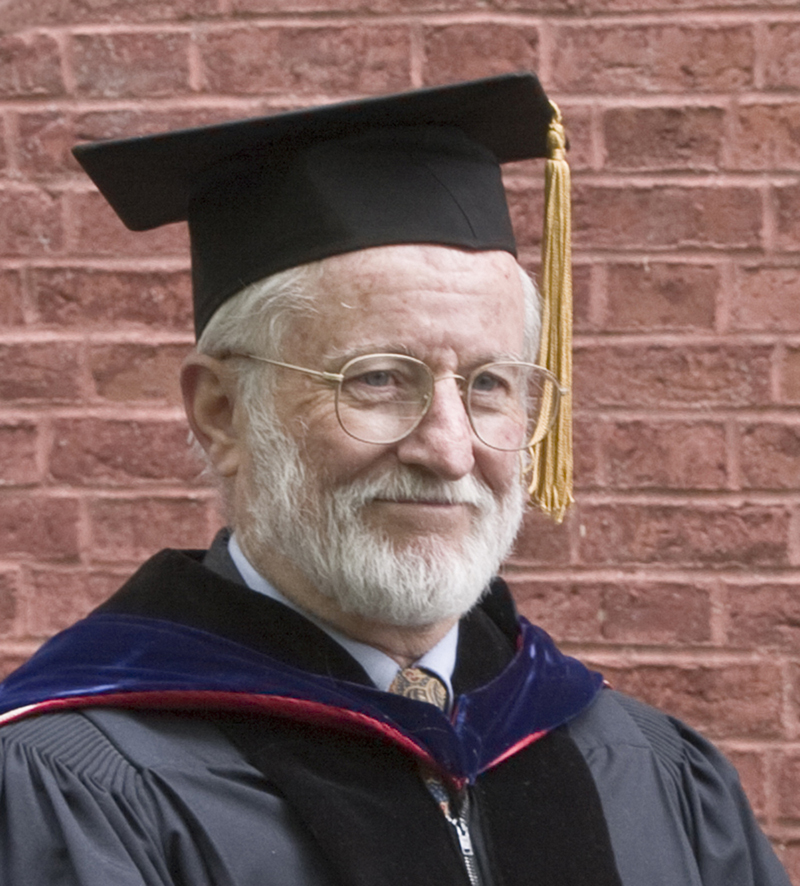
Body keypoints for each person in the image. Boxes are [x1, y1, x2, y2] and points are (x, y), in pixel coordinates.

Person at [0, 73, 791, 886]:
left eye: (489, 385)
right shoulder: (71, 790)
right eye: (377, 380)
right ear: (222, 411)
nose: (449, 450)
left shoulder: (650, 771)